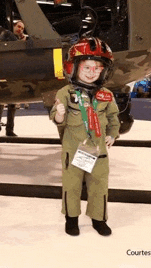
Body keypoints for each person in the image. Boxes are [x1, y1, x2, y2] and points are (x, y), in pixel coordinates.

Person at [50, 37, 120, 236]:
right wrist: (60, 114)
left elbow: (113, 117)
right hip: (73, 151)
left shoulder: (106, 94)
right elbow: (56, 117)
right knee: (71, 186)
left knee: (99, 186)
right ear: (73, 67)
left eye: (97, 68)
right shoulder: (65, 92)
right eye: (87, 67)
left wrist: (113, 135)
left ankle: (99, 219)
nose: (92, 73)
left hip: (99, 151)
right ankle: (71, 219)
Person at [0, 20, 28, 137]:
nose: (20, 29)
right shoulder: (6, 35)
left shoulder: (19, 40)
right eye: (18, 27)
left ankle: (9, 129)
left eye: (22, 28)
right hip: (3, 71)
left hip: (13, 73)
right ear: (13, 26)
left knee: (12, 104)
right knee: (0, 103)